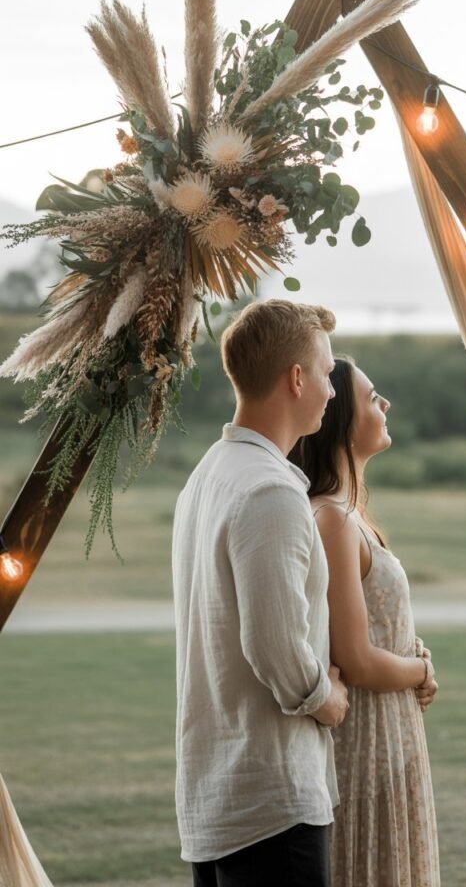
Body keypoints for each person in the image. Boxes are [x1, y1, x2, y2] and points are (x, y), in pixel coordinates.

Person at [172, 299, 350, 887]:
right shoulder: (269, 490)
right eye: (326, 373)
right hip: (271, 802)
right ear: (296, 378)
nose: (331, 390)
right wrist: (326, 699)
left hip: (219, 795)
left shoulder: (208, 475)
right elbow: (274, 644)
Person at [289, 356, 440, 887]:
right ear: (342, 422)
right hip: (368, 739)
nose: (386, 403)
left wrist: (412, 652)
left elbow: (376, 625)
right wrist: (420, 672)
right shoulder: (331, 518)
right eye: (373, 398)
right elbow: (353, 659)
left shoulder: (351, 514)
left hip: (393, 730)